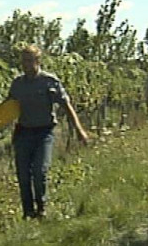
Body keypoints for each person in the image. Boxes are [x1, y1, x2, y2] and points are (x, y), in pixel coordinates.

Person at [8, 45, 91, 219]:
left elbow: (67, 106)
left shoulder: (49, 81)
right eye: (23, 61)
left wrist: (79, 130)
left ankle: (42, 207)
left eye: (30, 60)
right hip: (23, 133)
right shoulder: (17, 84)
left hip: (43, 133)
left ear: (38, 61)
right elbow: (7, 109)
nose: (26, 64)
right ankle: (28, 212)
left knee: (40, 170)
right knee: (23, 174)